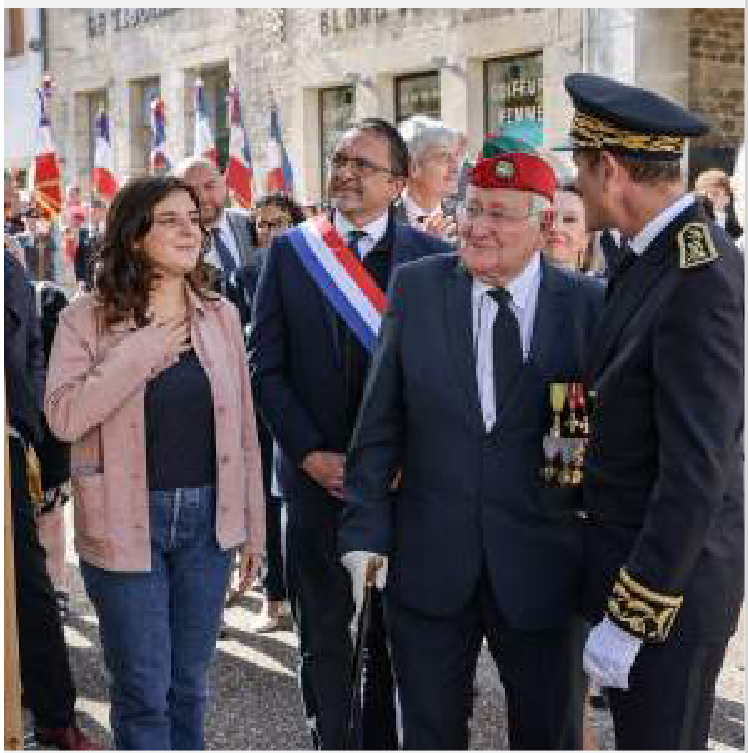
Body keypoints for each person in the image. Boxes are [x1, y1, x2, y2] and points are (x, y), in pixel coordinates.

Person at [339, 146, 604, 749]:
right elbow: (378, 427)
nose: (479, 225)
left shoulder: (586, 305)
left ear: (543, 226)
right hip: (429, 565)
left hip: (545, 570)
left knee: (548, 735)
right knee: (428, 735)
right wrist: (363, 534)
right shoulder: (418, 290)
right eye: (474, 207)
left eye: (502, 214)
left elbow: (580, 443)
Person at [44, 175, 266, 750]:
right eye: (170, 219)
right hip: (122, 522)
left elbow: (245, 429)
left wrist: (254, 529)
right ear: (136, 234)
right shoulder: (84, 317)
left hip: (208, 526)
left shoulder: (219, 315)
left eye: (193, 219)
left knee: (188, 687)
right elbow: (63, 417)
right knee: (143, 691)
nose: (189, 229)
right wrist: (142, 351)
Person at [250, 117, 449, 749]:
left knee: (395, 641)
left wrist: (402, 458)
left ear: (398, 182)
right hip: (313, 484)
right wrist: (308, 454)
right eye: (339, 160)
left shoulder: (432, 259)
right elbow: (267, 366)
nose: (345, 173)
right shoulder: (291, 251)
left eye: (362, 165)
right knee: (323, 641)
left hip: (398, 484)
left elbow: (441, 375)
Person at [562, 72, 744, 750]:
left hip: (671, 594)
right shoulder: (647, 258)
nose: (575, 187)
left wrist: (634, 613)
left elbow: (697, 467)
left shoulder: (700, 274)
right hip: (625, 563)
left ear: (610, 169)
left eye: (578, 170)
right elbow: (604, 398)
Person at [5, 246, 95, 750]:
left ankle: (56, 718)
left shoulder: (6, 266)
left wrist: (21, 426)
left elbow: (29, 350)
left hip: (4, 444)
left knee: (24, 577)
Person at [248, 193, 306, 633]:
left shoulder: (315, 272)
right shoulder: (243, 274)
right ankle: (274, 592)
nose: (268, 232)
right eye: (261, 225)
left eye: (278, 223)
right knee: (269, 500)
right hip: (259, 402)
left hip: (299, 405)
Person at [396, 114, 462, 240]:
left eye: (456, 157)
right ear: (413, 167)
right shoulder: (381, 219)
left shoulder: (465, 219)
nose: (455, 167)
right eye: (443, 157)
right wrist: (428, 245)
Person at [694, 167, 743, 240]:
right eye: (704, 195)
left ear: (727, 197)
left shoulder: (737, 227)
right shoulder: (694, 225)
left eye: (715, 194)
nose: (709, 198)